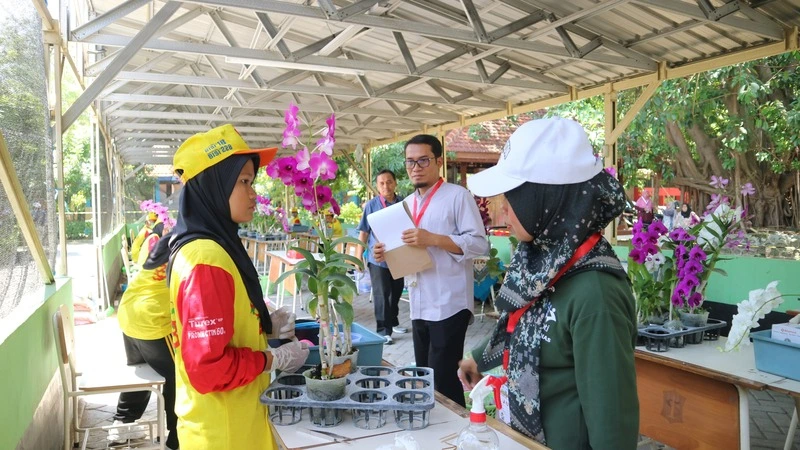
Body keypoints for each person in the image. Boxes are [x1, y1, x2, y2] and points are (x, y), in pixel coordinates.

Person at [458, 118, 639, 449]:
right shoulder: (541, 262)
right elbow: (522, 322)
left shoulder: (596, 295)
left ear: (546, 201)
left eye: (513, 198)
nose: (503, 211)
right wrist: (479, 358)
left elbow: (612, 423)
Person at [167, 124, 309, 449]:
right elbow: (208, 369)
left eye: (251, 182)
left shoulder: (212, 247)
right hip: (226, 433)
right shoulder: (205, 260)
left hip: (236, 421)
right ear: (213, 185)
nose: (253, 193)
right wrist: (274, 359)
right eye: (243, 181)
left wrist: (264, 325)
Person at [373, 134, 489, 407]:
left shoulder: (458, 196)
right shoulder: (405, 205)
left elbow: (479, 243)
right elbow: (405, 249)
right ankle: (435, 425)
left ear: (438, 161)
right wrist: (384, 252)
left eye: (423, 160)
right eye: (410, 162)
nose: (415, 167)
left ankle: (458, 427)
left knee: (444, 380)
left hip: (450, 302)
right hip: (419, 301)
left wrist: (434, 239)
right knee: (426, 377)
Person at [109, 231, 178, 449]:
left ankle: (122, 424)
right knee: (178, 374)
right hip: (153, 320)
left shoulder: (164, 242)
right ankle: (176, 435)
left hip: (129, 312)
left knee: (143, 371)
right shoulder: (189, 247)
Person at [356, 169, 406, 345]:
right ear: (377, 186)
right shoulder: (371, 205)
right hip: (378, 259)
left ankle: (393, 322)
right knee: (382, 294)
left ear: (395, 183)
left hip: (398, 256)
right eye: (382, 183)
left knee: (397, 291)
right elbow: (363, 232)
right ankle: (383, 330)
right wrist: (358, 257)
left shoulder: (403, 203)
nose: (386, 186)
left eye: (389, 182)